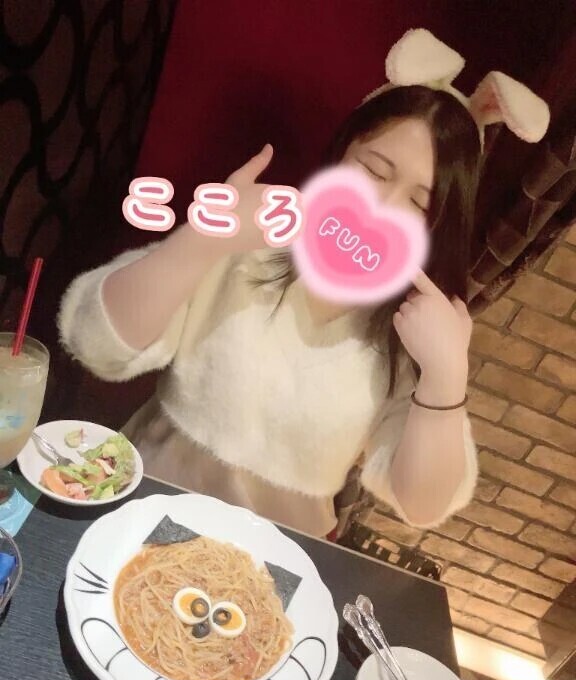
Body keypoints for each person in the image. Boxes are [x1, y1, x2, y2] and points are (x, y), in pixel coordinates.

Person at [58, 30, 549, 539]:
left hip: (275, 562)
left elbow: (421, 504)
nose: (381, 207)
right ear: (341, 154)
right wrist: (201, 240)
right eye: (374, 170)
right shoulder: (250, 235)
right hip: (136, 509)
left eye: (418, 202)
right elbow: (96, 343)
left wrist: (446, 374)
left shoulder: (411, 327)